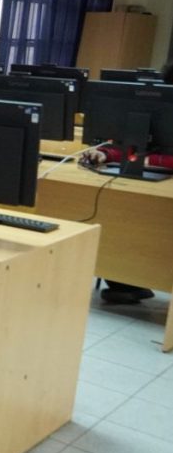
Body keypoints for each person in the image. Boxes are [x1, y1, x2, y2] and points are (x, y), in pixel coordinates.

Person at [81, 61, 173, 304]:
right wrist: (105, 153)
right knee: (117, 211)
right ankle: (126, 278)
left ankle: (134, 277)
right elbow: (130, 144)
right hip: (145, 188)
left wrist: (145, 159)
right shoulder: (162, 107)